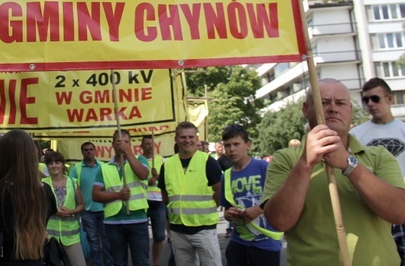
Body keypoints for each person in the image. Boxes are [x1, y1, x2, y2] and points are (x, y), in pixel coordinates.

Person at [262, 78, 405, 265]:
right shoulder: (286, 159)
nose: (332, 108)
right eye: (323, 102)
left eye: (341, 103)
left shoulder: (379, 155)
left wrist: (348, 164)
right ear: (306, 109)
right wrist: (305, 164)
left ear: (350, 111)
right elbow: (279, 221)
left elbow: (399, 212)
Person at [0, 130, 57, 266]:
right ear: (31, 156)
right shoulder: (45, 191)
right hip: (36, 259)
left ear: (2, 156)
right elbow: (44, 227)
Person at [350, 77, 405, 264]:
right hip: (373, 208)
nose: (370, 104)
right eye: (366, 100)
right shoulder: (356, 135)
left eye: (375, 98)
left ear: (389, 99)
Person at [158, 121, 223, 266]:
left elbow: (219, 190)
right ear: (176, 139)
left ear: (196, 139)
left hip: (204, 229)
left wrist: (209, 208)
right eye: (183, 137)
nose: (187, 140)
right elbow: (165, 195)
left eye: (190, 137)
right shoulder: (167, 165)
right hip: (178, 230)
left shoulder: (208, 161)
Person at [220, 125, 281, 266]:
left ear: (248, 145)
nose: (231, 149)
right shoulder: (227, 175)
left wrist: (259, 209)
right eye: (227, 145)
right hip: (238, 241)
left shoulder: (262, 167)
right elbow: (227, 208)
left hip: (266, 241)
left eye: (236, 144)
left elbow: (279, 196)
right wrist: (228, 214)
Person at [92, 129, 150, 266]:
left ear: (130, 144)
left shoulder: (140, 160)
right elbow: (95, 195)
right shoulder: (104, 168)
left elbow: (143, 174)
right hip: (113, 223)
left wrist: (128, 153)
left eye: (126, 142)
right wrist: (117, 195)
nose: (122, 145)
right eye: (119, 141)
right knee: (118, 262)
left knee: (141, 262)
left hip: (137, 220)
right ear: (112, 145)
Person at [69, 141, 113, 266]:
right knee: (93, 241)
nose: (88, 152)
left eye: (90, 149)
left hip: (105, 209)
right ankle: (96, 264)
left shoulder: (104, 167)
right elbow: (72, 187)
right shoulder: (76, 169)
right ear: (82, 152)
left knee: (107, 241)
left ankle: (109, 264)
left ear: (95, 151)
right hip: (87, 211)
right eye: (86, 150)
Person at [43, 151, 87, 266]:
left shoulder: (73, 182)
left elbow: (82, 205)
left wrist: (72, 211)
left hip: (71, 236)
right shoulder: (43, 184)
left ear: (63, 164)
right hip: (49, 236)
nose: (54, 166)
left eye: (57, 162)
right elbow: (37, 208)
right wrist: (54, 211)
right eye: (50, 163)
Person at [141, 135, 167, 266]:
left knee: (159, 236)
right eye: (146, 144)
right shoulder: (137, 160)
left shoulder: (161, 160)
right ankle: (144, 262)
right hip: (143, 202)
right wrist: (147, 181)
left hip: (158, 202)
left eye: (151, 144)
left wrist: (157, 176)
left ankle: (155, 263)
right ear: (141, 146)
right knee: (142, 237)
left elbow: (168, 178)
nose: (149, 146)